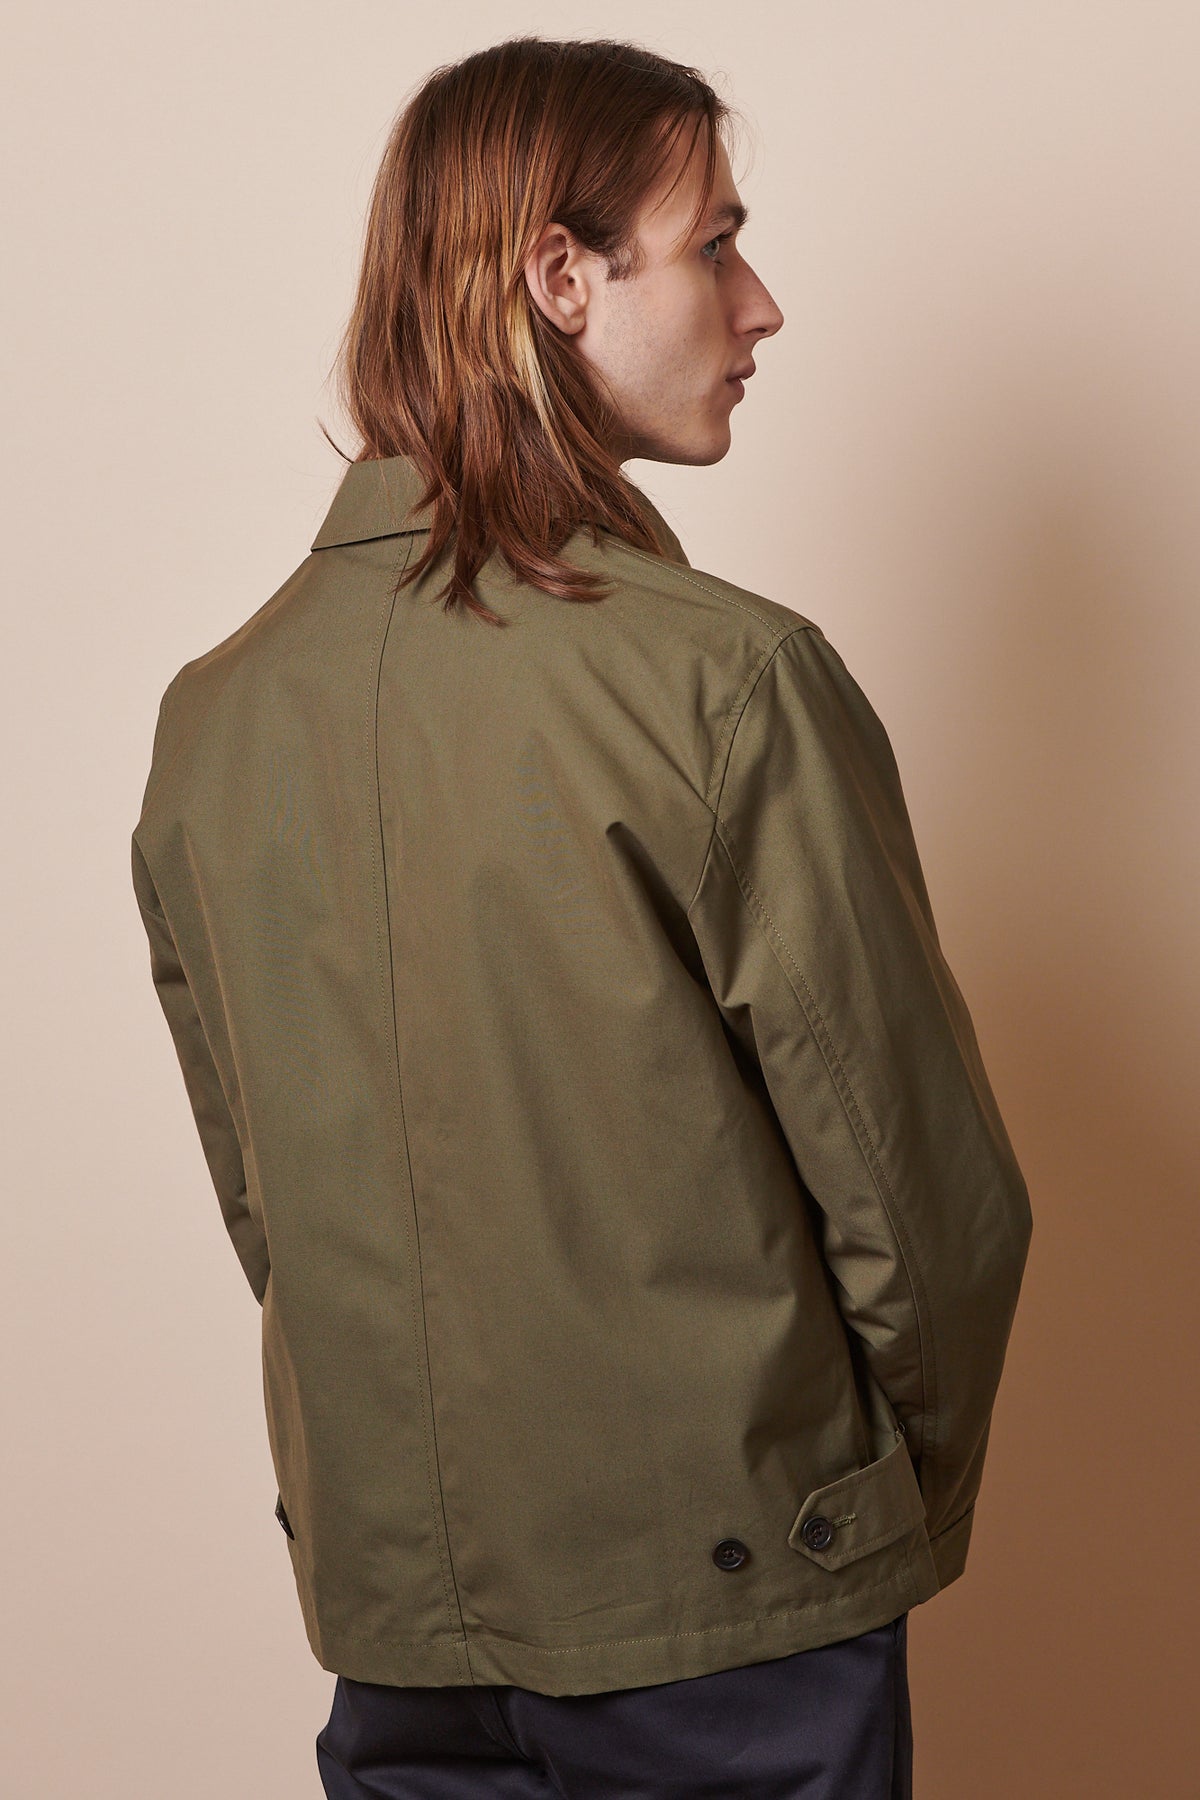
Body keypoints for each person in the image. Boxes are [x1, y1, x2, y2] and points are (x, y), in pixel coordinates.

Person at [130, 34, 1033, 1800]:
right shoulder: (727, 684)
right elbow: (926, 1209)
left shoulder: (211, 719)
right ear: (562, 275)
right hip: (736, 1623)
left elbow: (273, 1206)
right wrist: (858, 1517)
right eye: (715, 242)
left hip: (400, 1618)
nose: (761, 304)